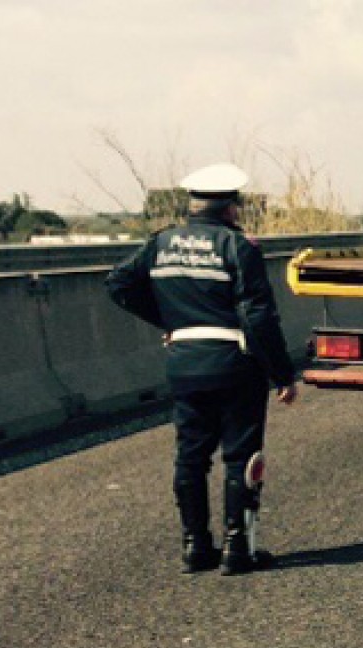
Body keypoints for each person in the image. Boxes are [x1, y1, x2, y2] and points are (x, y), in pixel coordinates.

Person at [105, 163, 298, 575]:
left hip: (185, 364)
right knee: (240, 456)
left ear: (192, 204)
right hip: (234, 364)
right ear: (232, 207)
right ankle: (237, 548)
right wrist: (282, 373)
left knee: (191, 457)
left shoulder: (161, 243)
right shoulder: (238, 246)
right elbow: (258, 316)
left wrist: (173, 324)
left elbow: (118, 283)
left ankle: (195, 546)